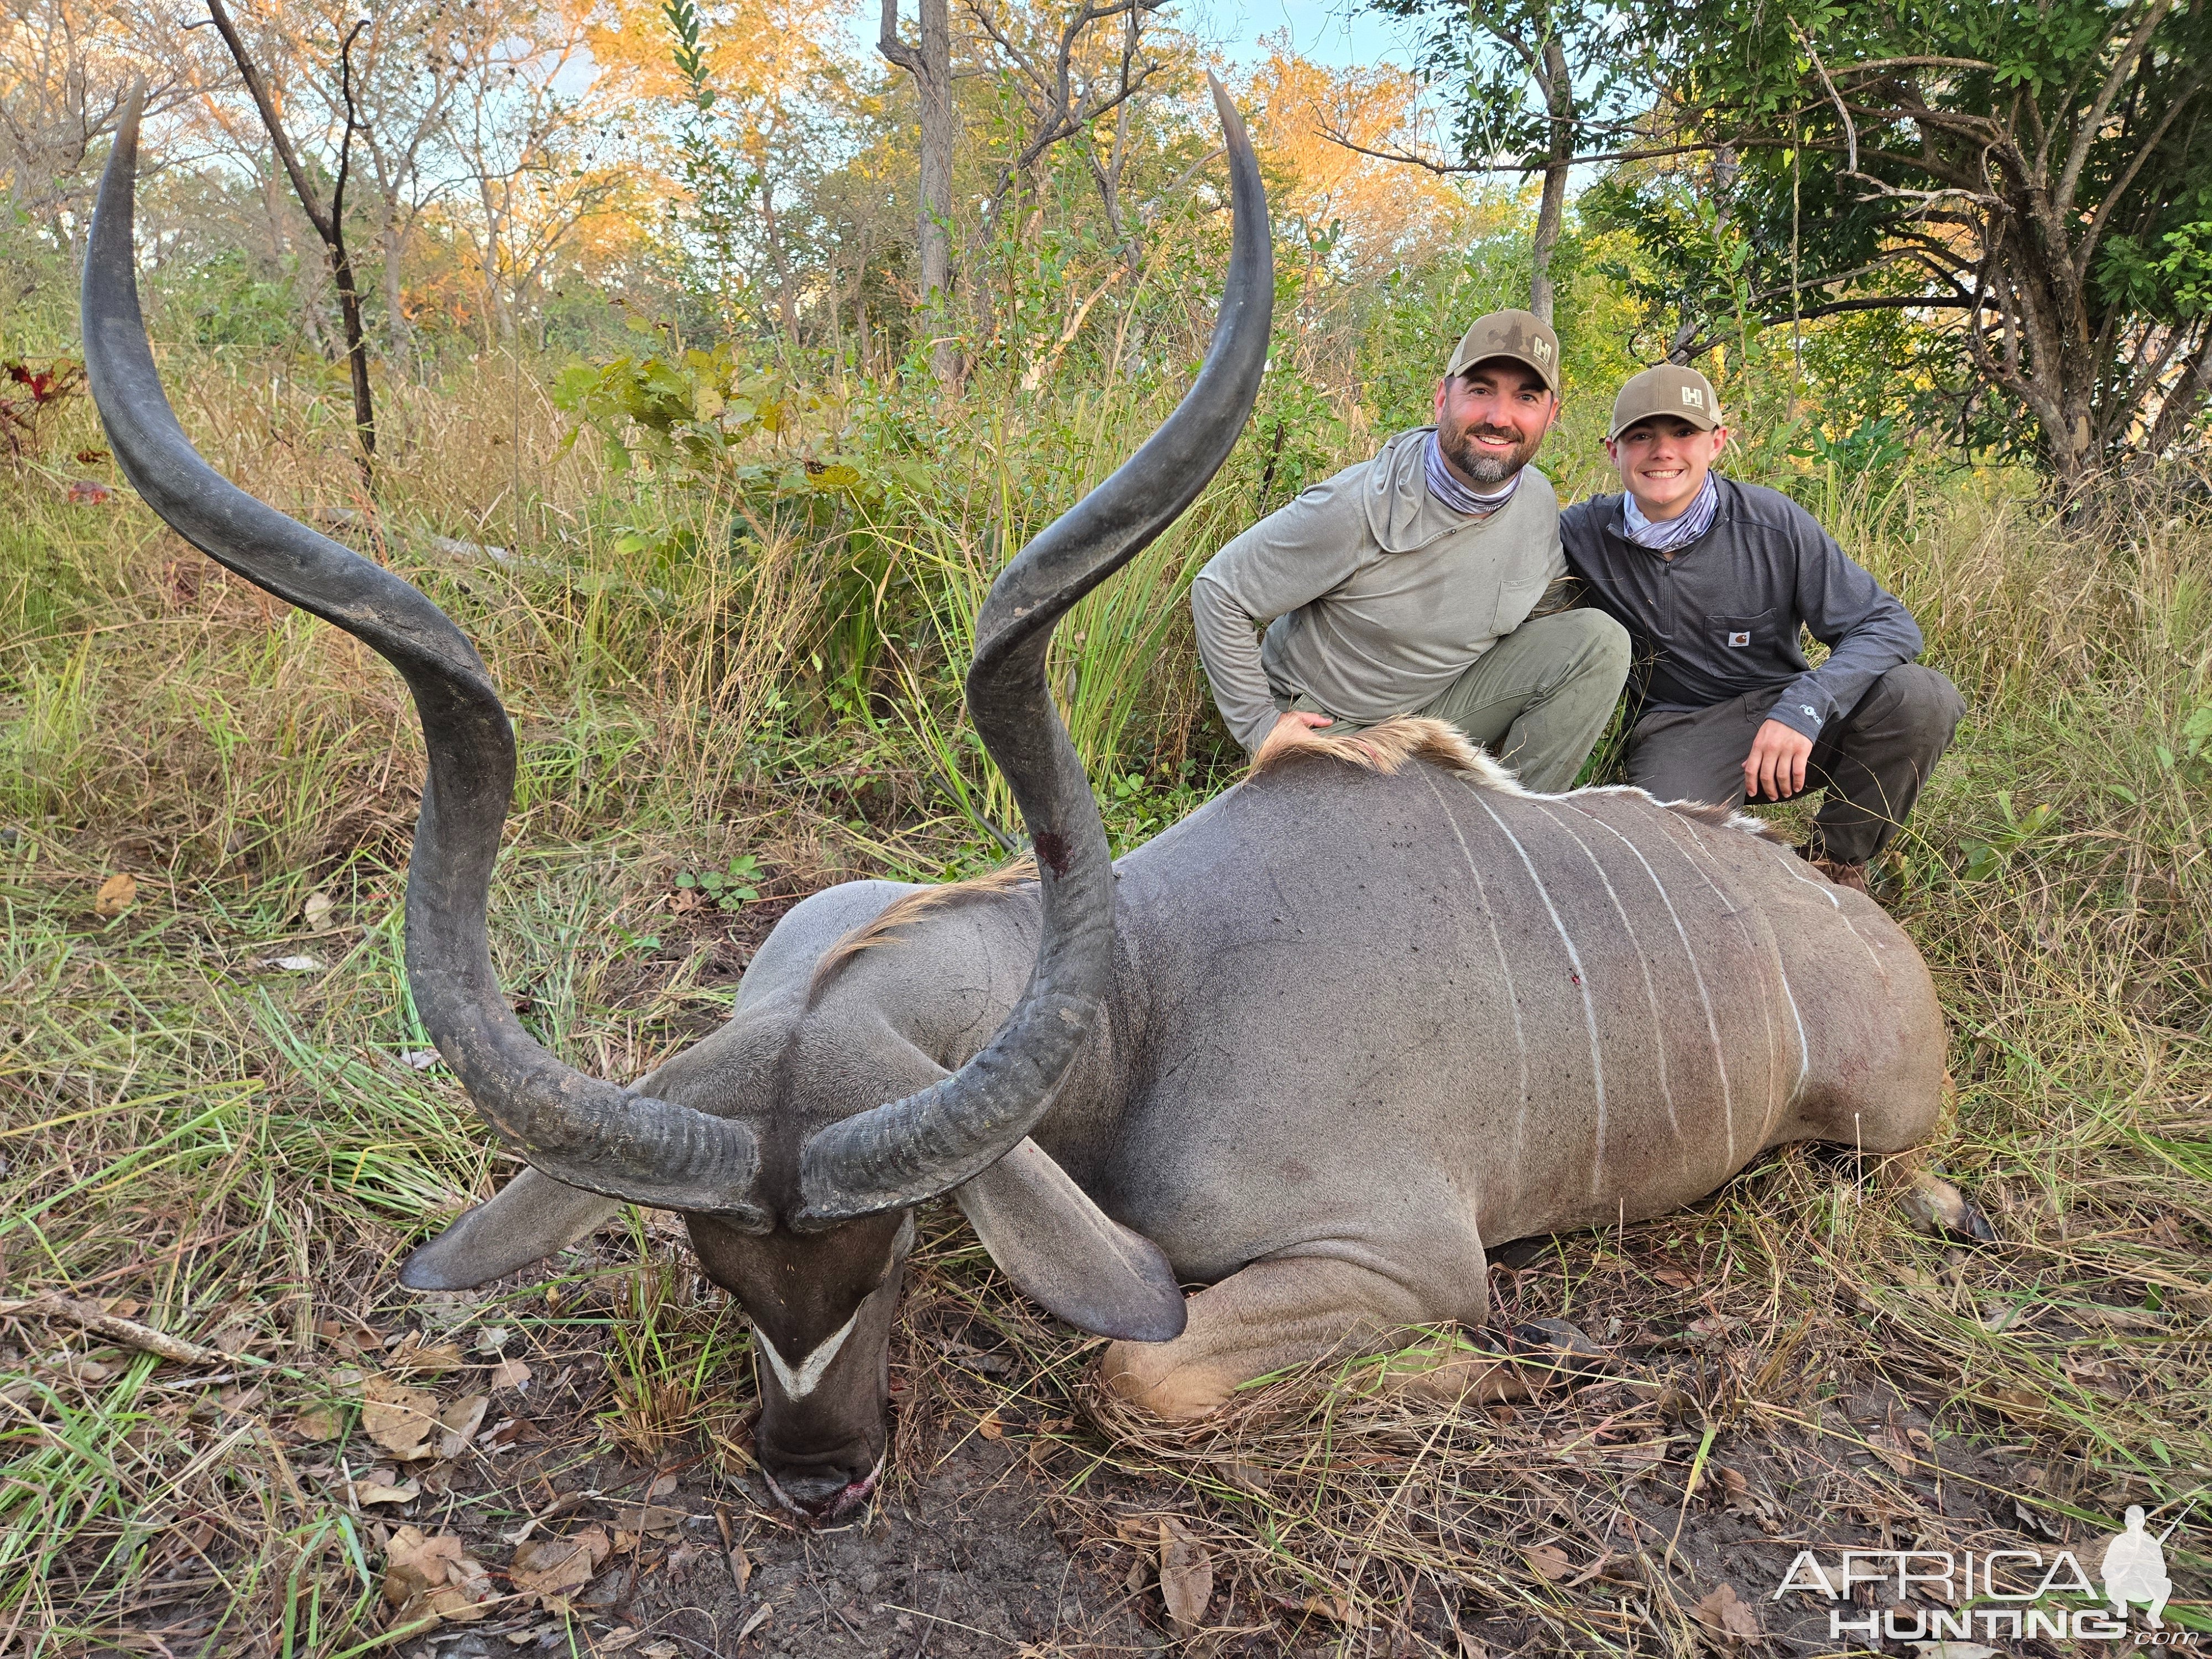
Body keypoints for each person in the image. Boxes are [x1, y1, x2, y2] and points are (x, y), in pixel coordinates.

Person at [1559, 365, 1965, 893]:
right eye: (1641, 436)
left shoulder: (1773, 522)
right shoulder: (1583, 531)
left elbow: (1887, 624)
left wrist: (1807, 704)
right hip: (1683, 728)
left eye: (1684, 433)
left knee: (1922, 697)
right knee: (1670, 858)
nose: (1663, 452)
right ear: (1613, 451)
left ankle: (1836, 863)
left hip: (1789, 714)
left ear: (1717, 442)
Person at [1191, 310, 1630, 792]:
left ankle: (1515, 832)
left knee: (1599, 641)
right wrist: (1262, 729)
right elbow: (1219, 592)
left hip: (1442, 706)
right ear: (1443, 398)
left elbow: (1542, 604)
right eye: (1480, 390)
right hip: (1336, 729)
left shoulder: (1537, 498)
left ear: (1551, 415)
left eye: (1526, 397)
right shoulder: (1355, 507)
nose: (1499, 418)